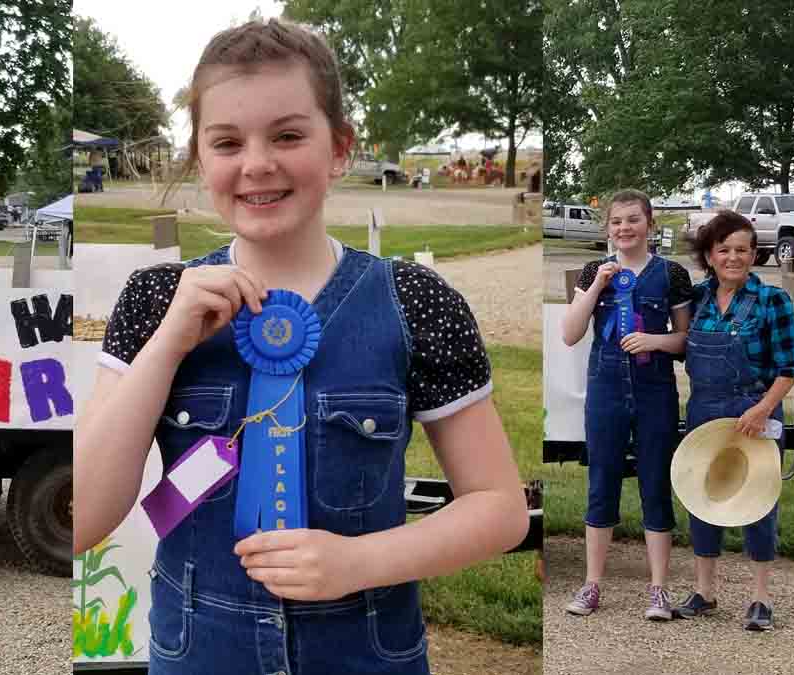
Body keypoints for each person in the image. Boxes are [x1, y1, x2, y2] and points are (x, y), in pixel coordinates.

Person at [73, 18, 529, 675]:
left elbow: (500, 508)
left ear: (339, 147)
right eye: (227, 141)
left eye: (288, 134)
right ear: (201, 159)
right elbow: (86, 515)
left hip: (366, 655)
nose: (257, 163)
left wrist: (359, 561)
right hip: (199, 654)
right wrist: (169, 343)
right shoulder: (153, 301)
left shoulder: (418, 304)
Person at [560, 189, 693, 620]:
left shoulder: (671, 274)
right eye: (617, 221)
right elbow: (569, 333)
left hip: (655, 390)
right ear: (608, 228)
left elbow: (685, 340)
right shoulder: (593, 271)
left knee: (655, 483)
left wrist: (656, 340)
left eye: (633, 220)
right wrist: (597, 284)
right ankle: (592, 584)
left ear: (649, 224)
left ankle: (658, 590)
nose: (625, 228)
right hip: (606, 389)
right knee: (602, 482)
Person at [675, 210, 794, 631]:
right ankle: (705, 592)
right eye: (724, 249)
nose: (733, 257)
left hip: (754, 413)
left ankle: (761, 598)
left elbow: (790, 369)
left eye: (742, 250)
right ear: (709, 255)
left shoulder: (772, 301)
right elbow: (680, 345)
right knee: (703, 499)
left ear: (754, 255)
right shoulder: (698, 299)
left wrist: (763, 408)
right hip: (704, 412)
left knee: (757, 503)